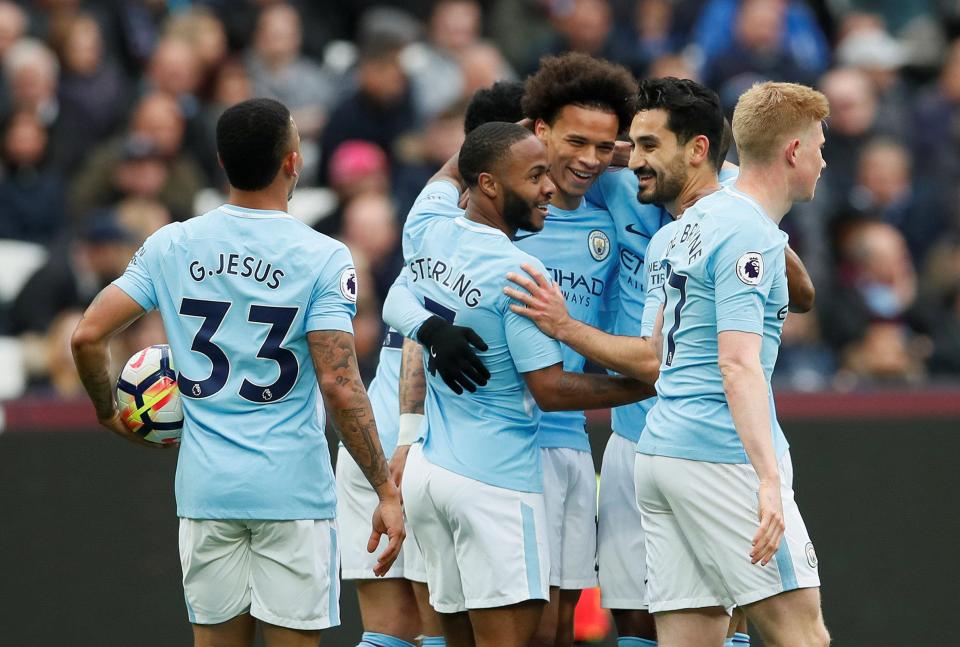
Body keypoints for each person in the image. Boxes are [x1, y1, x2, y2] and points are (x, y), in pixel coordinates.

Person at [70, 98, 405, 647]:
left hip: (206, 494)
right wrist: (383, 490)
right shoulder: (323, 257)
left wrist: (108, 410)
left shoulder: (172, 244)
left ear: (222, 163)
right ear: (293, 163)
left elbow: (86, 335)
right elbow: (341, 386)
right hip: (291, 495)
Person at [504, 77, 815, 647]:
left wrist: (737, 201)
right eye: (633, 145)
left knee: (729, 619)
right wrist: (597, 151)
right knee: (645, 620)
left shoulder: (734, 207)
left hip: (717, 436)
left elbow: (802, 292)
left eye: (646, 146)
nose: (625, 159)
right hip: (641, 443)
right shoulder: (618, 189)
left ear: (698, 149)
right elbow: (549, 167)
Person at [383, 121, 655, 647]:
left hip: (430, 473)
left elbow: (398, 296)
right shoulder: (519, 269)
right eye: (535, 176)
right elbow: (551, 391)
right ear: (488, 184)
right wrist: (644, 384)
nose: (549, 187)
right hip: (496, 481)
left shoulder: (431, 225)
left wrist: (430, 327)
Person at [635, 81, 830, 646]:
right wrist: (768, 480)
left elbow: (655, 350)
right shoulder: (751, 233)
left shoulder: (679, 230)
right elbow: (737, 364)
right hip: (720, 454)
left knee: (692, 639)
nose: (824, 159)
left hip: (661, 453)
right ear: (793, 151)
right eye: (819, 145)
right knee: (803, 635)